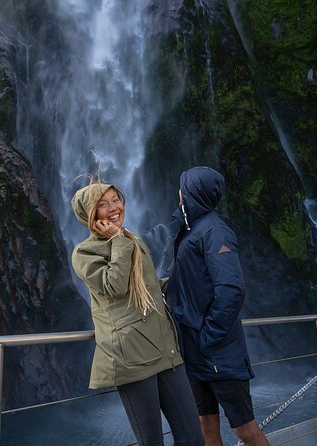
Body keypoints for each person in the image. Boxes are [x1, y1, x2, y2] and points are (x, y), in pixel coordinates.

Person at [70, 181, 204, 446]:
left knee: (193, 438)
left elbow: (148, 286)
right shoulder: (85, 252)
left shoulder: (133, 239)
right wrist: (118, 241)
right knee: (151, 441)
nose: (113, 208)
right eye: (103, 205)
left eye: (116, 200)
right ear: (90, 215)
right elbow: (115, 286)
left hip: (166, 350)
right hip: (131, 357)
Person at [165, 166, 269, 446]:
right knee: (205, 426)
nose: (178, 193)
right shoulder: (192, 231)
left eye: (182, 187)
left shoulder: (214, 231)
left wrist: (208, 336)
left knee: (244, 429)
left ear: (191, 192)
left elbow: (232, 290)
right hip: (195, 350)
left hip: (217, 351)